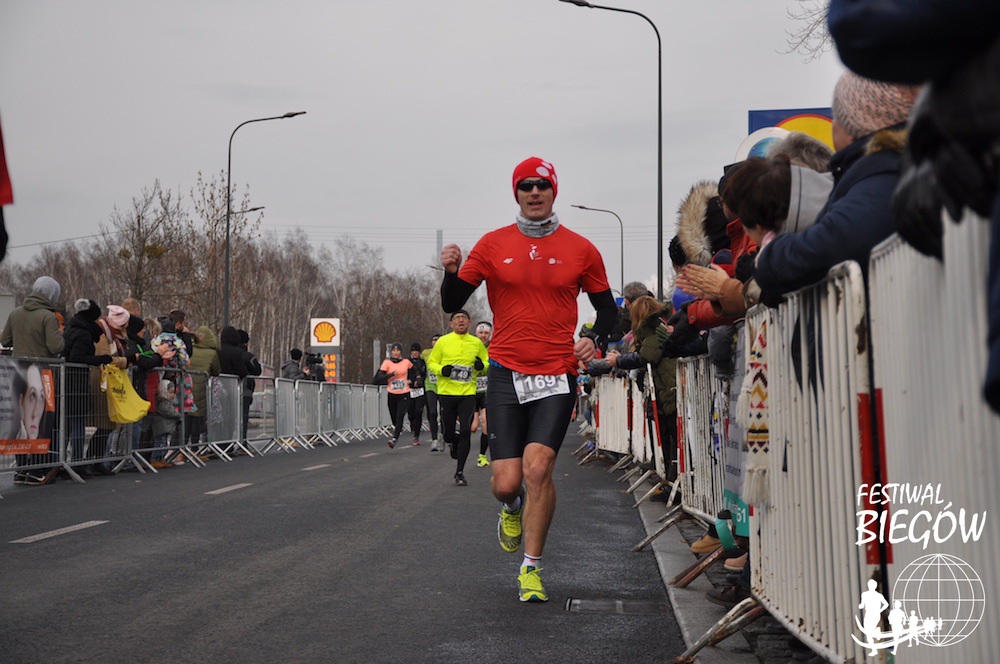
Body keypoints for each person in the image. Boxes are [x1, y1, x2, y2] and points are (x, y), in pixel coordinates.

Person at [440, 156, 617, 602]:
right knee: (506, 482)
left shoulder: (581, 249)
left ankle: (531, 568)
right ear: (516, 193)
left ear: (554, 191)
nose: (534, 192)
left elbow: (608, 310)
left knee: (539, 468)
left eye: (542, 185)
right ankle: (512, 507)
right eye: (526, 185)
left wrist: (592, 338)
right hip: (505, 373)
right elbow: (452, 300)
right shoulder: (493, 244)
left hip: (557, 374)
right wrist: (451, 270)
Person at [753, 72, 920, 298]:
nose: (833, 125)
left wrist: (771, 257)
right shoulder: (888, 170)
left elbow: (832, 244)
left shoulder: (881, 176)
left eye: (838, 117)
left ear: (854, 128)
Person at [426, 310, 489, 485]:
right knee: (447, 434)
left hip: (467, 393)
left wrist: (481, 366)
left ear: (469, 323)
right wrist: (442, 370)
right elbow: (432, 362)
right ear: (451, 324)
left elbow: (487, 362)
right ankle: (453, 441)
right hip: (447, 393)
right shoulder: (443, 342)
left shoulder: (476, 343)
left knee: (466, 431)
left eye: (464, 318)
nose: (461, 321)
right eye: (457, 318)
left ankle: (459, 473)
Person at [61, 299, 113, 478]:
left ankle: (62, 462)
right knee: (77, 424)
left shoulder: (71, 328)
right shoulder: (83, 334)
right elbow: (77, 358)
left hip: (67, 381)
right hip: (76, 383)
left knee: (67, 425)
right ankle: (77, 462)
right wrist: (99, 360)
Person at [1, 276, 64, 359]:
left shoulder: (15, 313)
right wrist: (60, 336)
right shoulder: (49, 317)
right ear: (53, 294)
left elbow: (5, 340)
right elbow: (55, 347)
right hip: (42, 364)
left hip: (17, 364)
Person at [373, 343, 415, 448]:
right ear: (391, 352)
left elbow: (415, 373)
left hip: (404, 393)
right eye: (394, 351)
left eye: (398, 350)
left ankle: (394, 439)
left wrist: (413, 380)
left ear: (401, 352)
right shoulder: (387, 363)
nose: (396, 353)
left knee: (400, 415)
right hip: (392, 394)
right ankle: (398, 428)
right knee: (394, 417)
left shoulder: (406, 362)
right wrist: (391, 375)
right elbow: (377, 378)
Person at [186, 326, 220, 451]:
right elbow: (216, 370)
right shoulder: (212, 353)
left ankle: (181, 449)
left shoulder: (190, 350)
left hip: (188, 387)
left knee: (186, 418)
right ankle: (195, 448)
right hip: (201, 388)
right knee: (197, 418)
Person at [472, 321, 493, 468]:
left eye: (486, 333)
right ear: (476, 333)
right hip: (471, 390)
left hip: (487, 390)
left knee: (486, 422)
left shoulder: (495, 348)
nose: (483, 336)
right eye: (481, 332)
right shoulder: (471, 346)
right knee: (473, 426)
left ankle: (482, 456)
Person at [149, 380, 181, 469]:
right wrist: (178, 415)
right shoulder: (162, 403)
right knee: (160, 443)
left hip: (165, 427)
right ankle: (155, 459)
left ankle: (161, 459)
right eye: (171, 392)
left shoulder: (168, 402)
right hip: (161, 428)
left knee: (163, 443)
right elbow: (168, 412)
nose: (173, 395)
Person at [237, 330, 262, 442]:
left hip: (227, 390)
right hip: (245, 389)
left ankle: (226, 443)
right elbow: (257, 370)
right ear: (246, 343)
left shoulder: (223, 353)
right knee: (244, 416)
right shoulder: (248, 356)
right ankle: (243, 441)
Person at [421, 334, 443, 451]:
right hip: (430, 386)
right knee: (433, 412)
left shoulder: (446, 352)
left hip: (444, 386)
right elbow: (417, 362)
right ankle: (434, 439)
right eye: (434, 340)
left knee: (444, 413)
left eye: (439, 340)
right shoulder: (426, 353)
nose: (436, 342)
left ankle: (443, 435)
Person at [407, 343, 428, 446]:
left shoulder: (422, 362)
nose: (415, 353)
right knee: (411, 412)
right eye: (413, 351)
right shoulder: (407, 362)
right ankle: (411, 420)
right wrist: (411, 381)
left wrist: (420, 381)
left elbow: (426, 374)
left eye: (417, 351)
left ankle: (416, 436)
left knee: (418, 412)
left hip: (420, 390)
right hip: (410, 390)